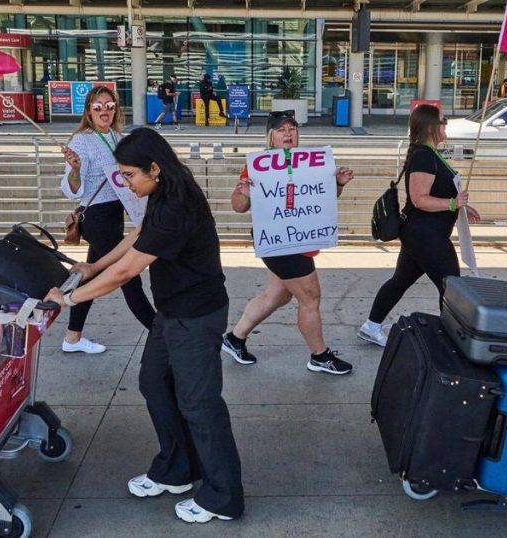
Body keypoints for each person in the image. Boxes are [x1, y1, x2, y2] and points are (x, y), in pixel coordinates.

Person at [45, 127, 243, 524]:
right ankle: (178, 469)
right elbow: (137, 236)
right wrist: (92, 265)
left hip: (196, 315)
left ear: (154, 168)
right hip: (172, 311)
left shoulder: (178, 203)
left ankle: (224, 496)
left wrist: (69, 298)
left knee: (200, 405)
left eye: (130, 174)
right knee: (154, 384)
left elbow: (127, 272)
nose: (124, 182)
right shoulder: (163, 189)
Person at [221, 110, 356, 375]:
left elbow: (322, 201)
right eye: (281, 129)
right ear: (271, 136)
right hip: (279, 242)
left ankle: (234, 339)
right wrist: (245, 193)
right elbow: (238, 206)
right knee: (310, 298)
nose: (288, 133)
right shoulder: (258, 164)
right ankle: (320, 356)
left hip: (301, 239)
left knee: (278, 295)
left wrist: (338, 184)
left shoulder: (310, 164)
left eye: (292, 129)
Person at [357, 104, 480, 347]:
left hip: (422, 235)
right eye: (443, 122)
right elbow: (419, 199)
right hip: (427, 236)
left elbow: (437, 194)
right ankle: (451, 340)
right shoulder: (424, 156)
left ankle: (371, 326)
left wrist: (462, 206)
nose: (446, 126)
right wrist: (454, 203)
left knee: (400, 281)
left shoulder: (430, 154)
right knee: (451, 286)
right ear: (432, 127)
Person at [60, 85, 156, 354]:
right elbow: (71, 189)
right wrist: (76, 170)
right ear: (89, 111)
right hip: (96, 216)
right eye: (98, 106)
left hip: (116, 213)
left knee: (91, 274)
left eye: (110, 106)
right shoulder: (81, 140)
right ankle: (159, 331)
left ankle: (72, 337)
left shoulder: (115, 136)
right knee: (128, 273)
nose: (105, 111)